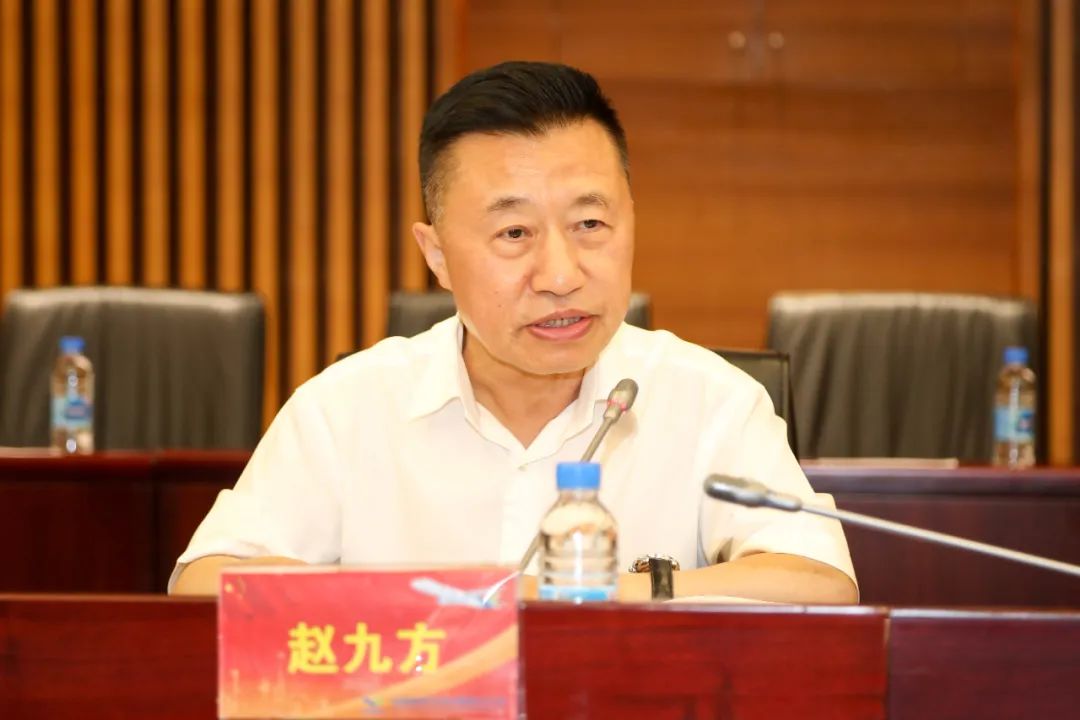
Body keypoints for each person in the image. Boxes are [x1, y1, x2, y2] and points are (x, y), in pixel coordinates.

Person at [171, 61, 857, 603]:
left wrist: (575, 595)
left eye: (590, 224)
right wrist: (430, 606)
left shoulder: (711, 401)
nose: (560, 274)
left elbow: (820, 581)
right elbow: (204, 582)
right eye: (514, 233)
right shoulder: (346, 408)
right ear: (437, 255)